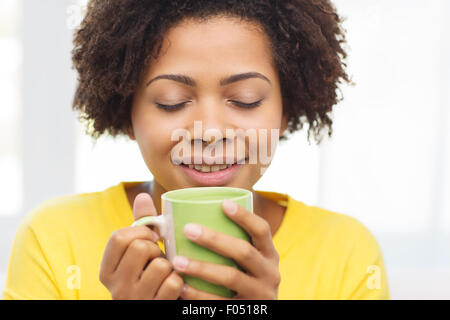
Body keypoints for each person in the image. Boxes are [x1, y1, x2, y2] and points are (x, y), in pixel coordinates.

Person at [3, 0, 389, 300]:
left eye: (245, 99)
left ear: (286, 112)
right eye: (171, 102)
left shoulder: (346, 253)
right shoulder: (55, 238)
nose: (210, 132)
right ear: (126, 112)